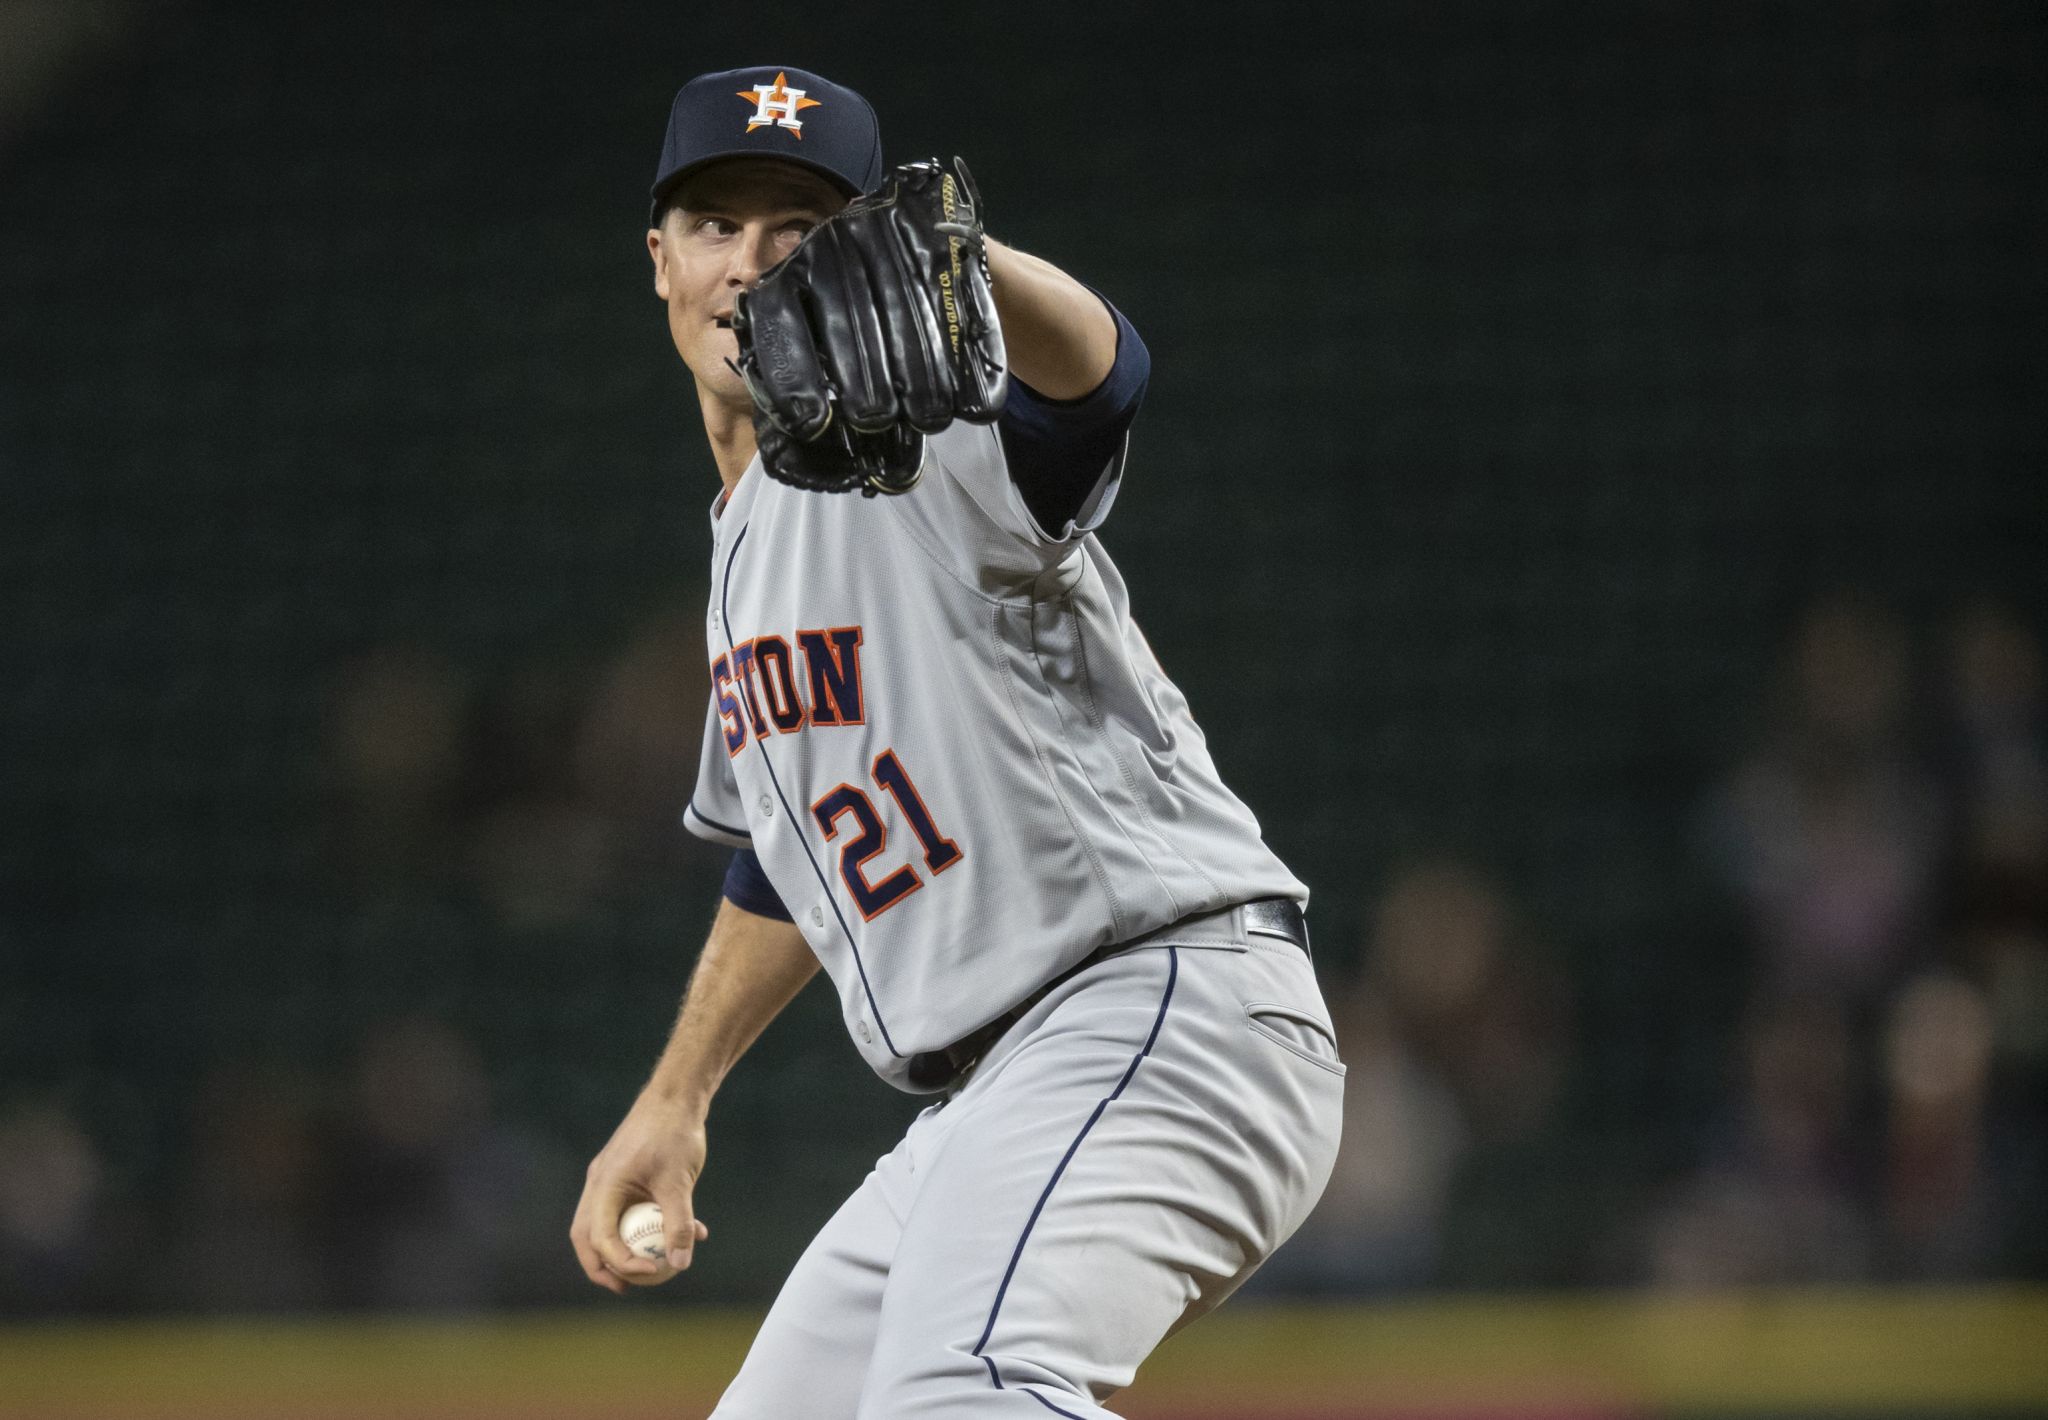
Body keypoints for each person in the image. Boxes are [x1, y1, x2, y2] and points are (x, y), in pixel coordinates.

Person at [569, 65, 1344, 1418]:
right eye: (716, 225)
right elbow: (789, 857)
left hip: (1157, 1008)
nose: (751, 265)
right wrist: (675, 1099)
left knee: (966, 1391)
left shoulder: (912, 438)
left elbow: (1099, 384)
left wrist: (964, 270)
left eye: (800, 231)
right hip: (1005, 1094)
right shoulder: (744, 552)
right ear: (658, 260)